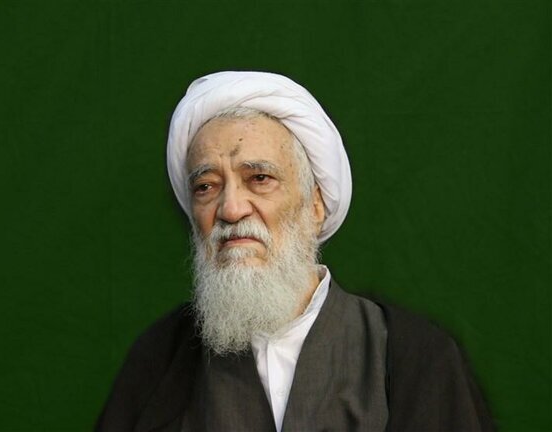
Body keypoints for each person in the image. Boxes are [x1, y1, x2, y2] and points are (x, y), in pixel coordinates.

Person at [96, 71, 494, 432]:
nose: (230, 209)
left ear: (315, 205)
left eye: (259, 178)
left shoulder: (412, 355)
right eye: (206, 187)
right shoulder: (159, 360)